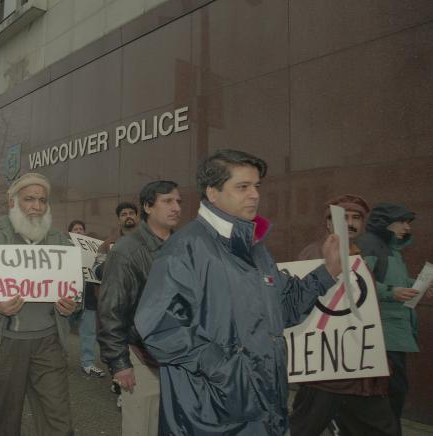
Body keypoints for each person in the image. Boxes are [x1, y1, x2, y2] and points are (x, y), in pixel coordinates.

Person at [134, 149, 342, 435]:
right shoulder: (185, 248)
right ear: (212, 192)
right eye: (242, 187)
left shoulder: (256, 249)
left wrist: (328, 272)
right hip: (210, 416)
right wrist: (229, 372)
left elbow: (284, 308)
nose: (254, 194)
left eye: (257, 186)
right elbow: (159, 327)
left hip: (263, 410)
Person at [0, 173, 77, 436]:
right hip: (5, 342)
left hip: (49, 342)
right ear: (12, 202)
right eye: (29, 199)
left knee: (59, 421)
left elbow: (75, 289)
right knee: (4, 422)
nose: (36, 206)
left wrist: (70, 304)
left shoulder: (59, 241)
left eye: (42, 200)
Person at [290, 195, 397, 436]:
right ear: (328, 224)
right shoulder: (316, 253)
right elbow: (302, 301)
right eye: (343, 217)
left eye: (356, 218)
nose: (350, 223)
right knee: (305, 427)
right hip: (328, 370)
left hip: (357, 367)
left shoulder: (356, 254)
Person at [98, 181, 182, 436]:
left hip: (178, 358)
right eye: (167, 201)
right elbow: (111, 309)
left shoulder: (184, 246)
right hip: (141, 358)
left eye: (178, 201)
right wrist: (120, 363)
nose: (176, 207)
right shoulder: (126, 251)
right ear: (147, 206)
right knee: (141, 426)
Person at [357, 203, 433, 435]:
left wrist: (417, 286)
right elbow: (360, 282)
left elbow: (392, 278)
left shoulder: (389, 248)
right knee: (391, 392)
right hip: (383, 333)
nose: (407, 227)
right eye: (403, 222)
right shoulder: (370, 244)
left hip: (394, 332)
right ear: (386, 223)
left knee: (395, 393)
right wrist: (392, 292)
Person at [91, 201, 139, 396]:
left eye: (131, 213)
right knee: (117, 344)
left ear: (137, 216)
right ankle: (119, 385)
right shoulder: (108, 244)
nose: (128, 216)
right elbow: (96, 271)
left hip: (142, 307)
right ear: (118, 219)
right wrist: (111, 267)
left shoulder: (149, 240)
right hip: (118, 306)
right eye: (123, 214)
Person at [68, 219, 106, 378]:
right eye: (75, 229)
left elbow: (99, 272)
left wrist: (100, 261)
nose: (79, 231)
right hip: (70, 299)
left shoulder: (94, 251)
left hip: (89, 299)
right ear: (70, 233)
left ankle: (88, 363)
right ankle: (55, 360)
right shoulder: (65, 248)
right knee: (60, 332)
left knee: (88, 333)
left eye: (81, 229)